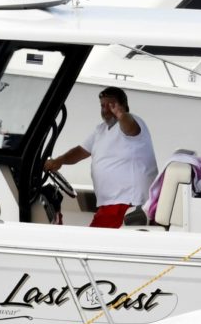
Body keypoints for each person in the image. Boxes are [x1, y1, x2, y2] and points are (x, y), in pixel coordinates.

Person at [43, 87, 157, 227]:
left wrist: (121, 114)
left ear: (124, 106)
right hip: (110, 204)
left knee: (90, 243)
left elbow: (130, 128)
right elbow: (80, 151)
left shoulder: (133, 122)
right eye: (103, 105)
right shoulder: (100, 130)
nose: (106, 109)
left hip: (127, 203)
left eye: (111, 105)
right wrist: (59, 160)